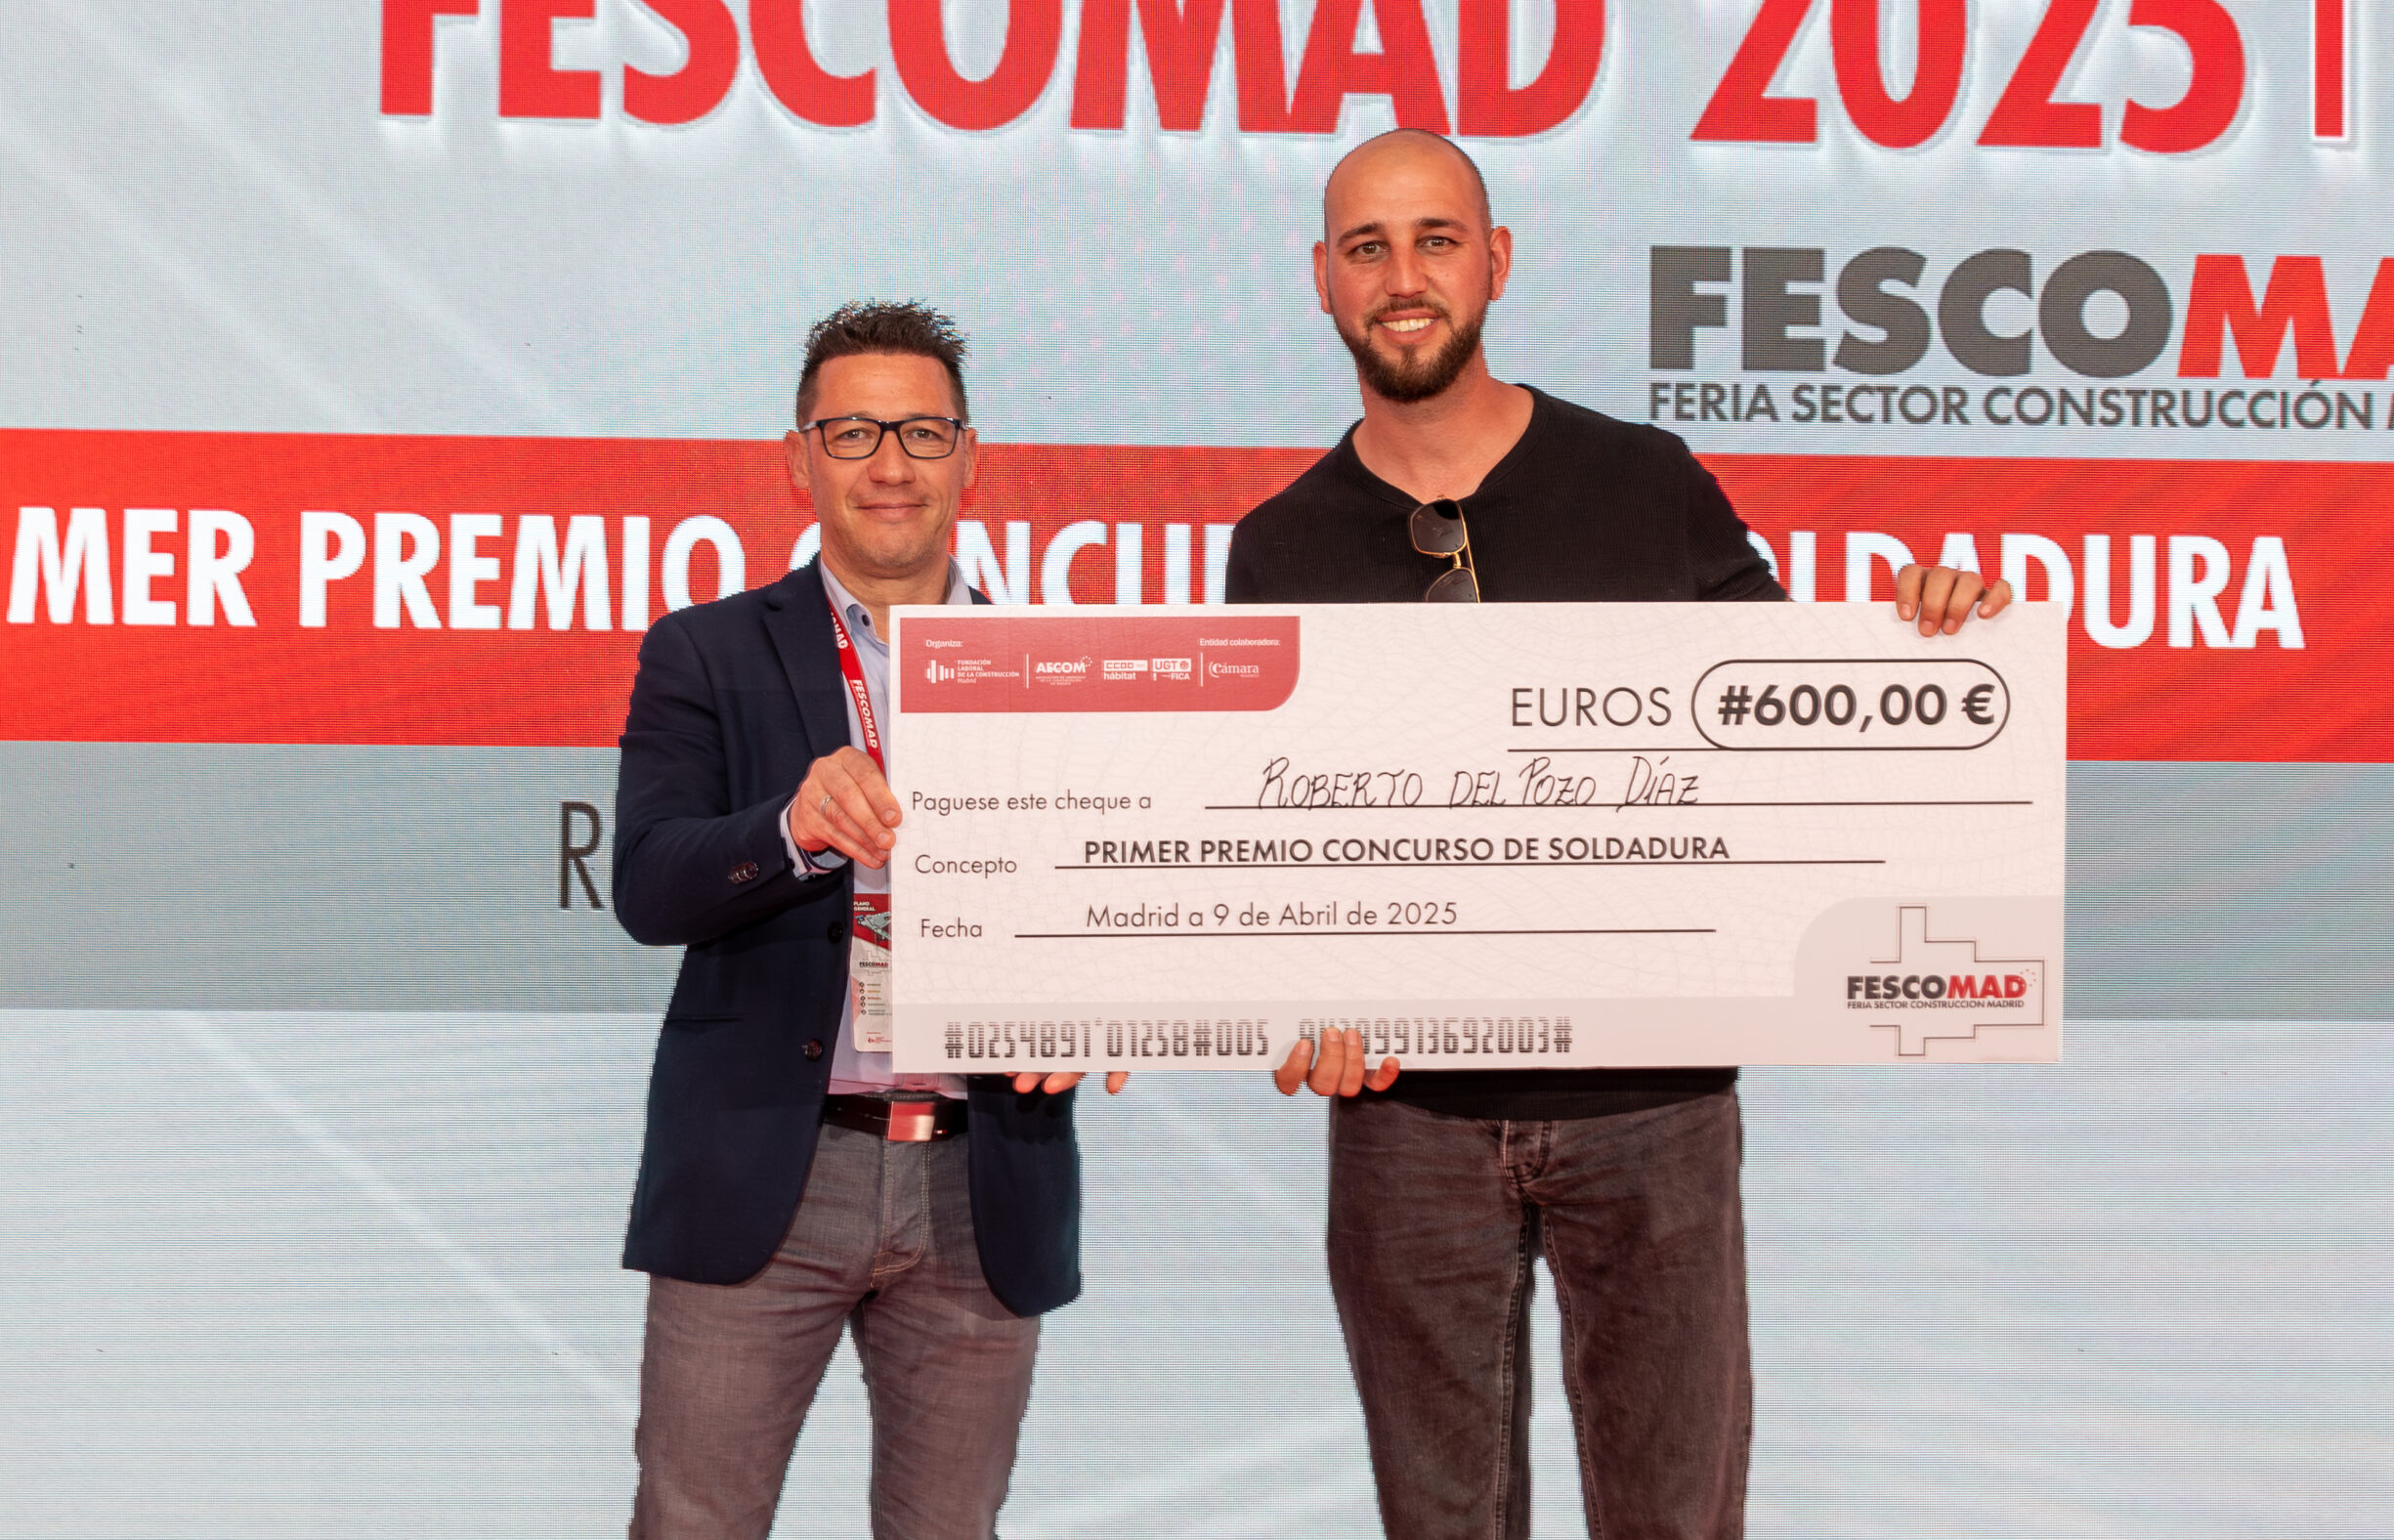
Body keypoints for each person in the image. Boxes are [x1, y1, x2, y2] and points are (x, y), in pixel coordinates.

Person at [1225, 130, 2012, 1540]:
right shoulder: (1275, 546)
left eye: (1435, 239)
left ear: (1495, 261)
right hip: (1405, 1119)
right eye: (1366, 247)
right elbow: (1262, 842)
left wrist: (1931, 640)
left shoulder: (1647, 480)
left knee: (1677, 1515)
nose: (1403, 277)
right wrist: (1287, 997)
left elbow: (1802, 733)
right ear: (1322, 282)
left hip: (1654, 1105)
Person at [613, 300, 1118, 1540]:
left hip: (982, 1177)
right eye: (852, 432)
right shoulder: (705, 651)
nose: (890, 463)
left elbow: (1111, 895)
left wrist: (1110, 1001)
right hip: (764, 1172)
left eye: (921, 432)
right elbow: (650, 885)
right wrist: (792, 826)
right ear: (799, 459)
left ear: (969, 455)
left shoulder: (1063, 666)